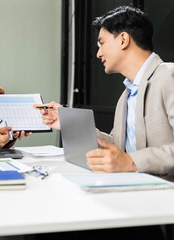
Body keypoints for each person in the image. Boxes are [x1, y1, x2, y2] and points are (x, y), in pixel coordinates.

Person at [37, 5, 174, 181]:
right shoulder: (125, 96)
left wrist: (131, 162)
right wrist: (68, 123)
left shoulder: (169, 75)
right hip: (136, 188)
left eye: (102, 43)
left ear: (123, 40)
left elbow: (127, 160)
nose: (98, 54)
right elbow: (118, 149)